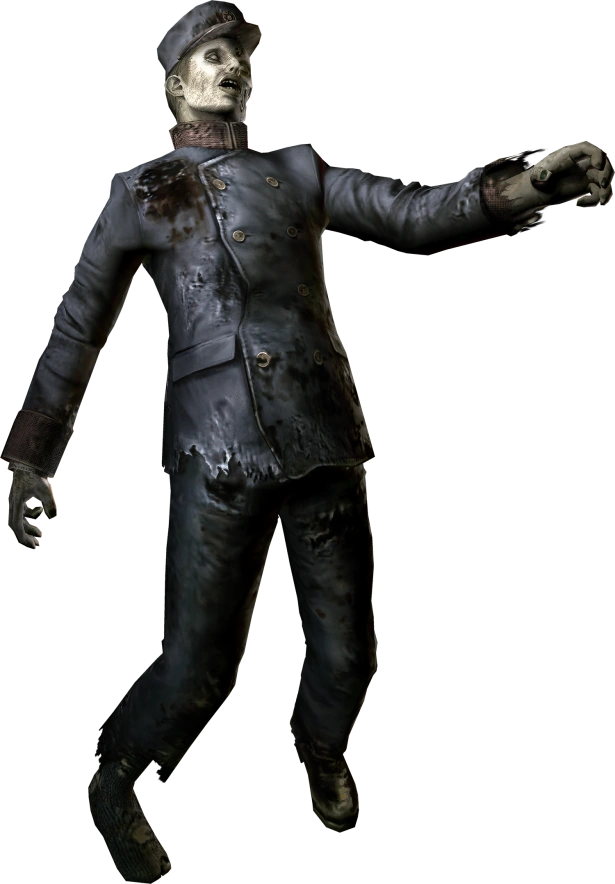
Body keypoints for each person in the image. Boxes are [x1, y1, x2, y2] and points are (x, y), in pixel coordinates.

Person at [3, 2, 613, 881]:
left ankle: (323, 755)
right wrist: (31, 459)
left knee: (348, 654)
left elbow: (411, 211)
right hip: (215, 456)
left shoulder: (297, 168)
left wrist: (528, 185)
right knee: (196, 673)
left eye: (241, 57)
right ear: (174, 81)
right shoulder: (139, 189)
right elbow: (76, 329)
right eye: (213, 55)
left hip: (320, 434)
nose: (234, 69)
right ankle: (117, 775)